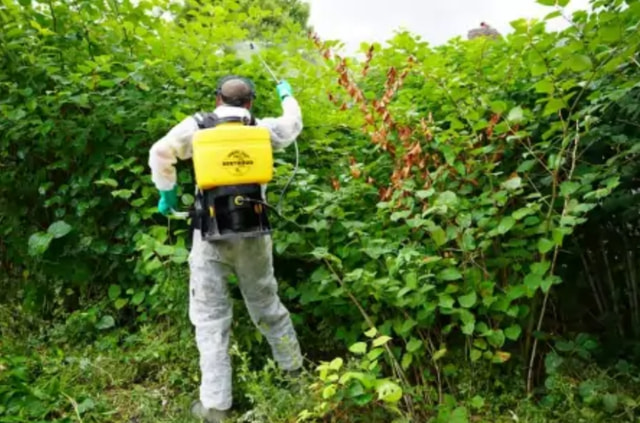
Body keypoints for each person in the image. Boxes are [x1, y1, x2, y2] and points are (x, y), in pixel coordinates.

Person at [147, 76, 304, 422]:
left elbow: (160, 152)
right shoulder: (261, 129)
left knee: (210, 319)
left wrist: (168, 196)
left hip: (210, 234)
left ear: (218, 99)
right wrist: (287, 94)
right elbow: (294, 123)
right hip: (254, 233)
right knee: (267, 306)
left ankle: (216, 407)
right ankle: (296, 380)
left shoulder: (197, 126)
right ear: (250, 103)